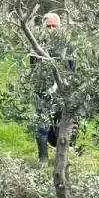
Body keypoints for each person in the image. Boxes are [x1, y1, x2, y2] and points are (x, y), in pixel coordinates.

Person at [34, 12, 63, 166]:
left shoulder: (67, 46)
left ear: (59, 28)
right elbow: (33, 69)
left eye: (54, 26)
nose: (51, 29)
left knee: (60, 124)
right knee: (41, 124)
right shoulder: (37, 46)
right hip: (42, 90)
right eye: (48, 26)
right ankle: (43, 158)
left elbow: (71, 69)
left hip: (61, 92)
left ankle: (61, 157)